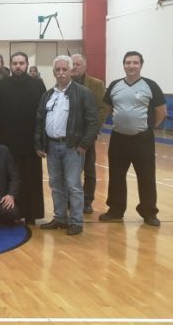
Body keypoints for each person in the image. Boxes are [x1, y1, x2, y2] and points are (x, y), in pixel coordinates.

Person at [100, 51, 166, 227]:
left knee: (146, 177)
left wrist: (149, 127)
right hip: (118, 139)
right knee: (116, 176)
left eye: (135, 63)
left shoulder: (151, 86)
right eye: (128, 62)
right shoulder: (115, 85)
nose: (131, 66)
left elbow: (161, 111)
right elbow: (106, 108)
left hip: (143, 140)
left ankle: (149, 212)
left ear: (141, 65)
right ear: (123, 65)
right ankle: (115, 210)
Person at [35, 55, 98, 236]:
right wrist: (39, 144)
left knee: (73, 185)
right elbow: (39, 120)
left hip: (73, 147)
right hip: (52, 146)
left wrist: (84, 144)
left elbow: (93, 121)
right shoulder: (48, 95)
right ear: (53, 72)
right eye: (58, 70)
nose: (61, 73)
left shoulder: (83, 93)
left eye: (64, 69)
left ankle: (76, 221)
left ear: (71, 71)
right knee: (56, 184)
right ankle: (60, 218)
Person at [0, 52, 46, 225]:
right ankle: (12, 213)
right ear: (10, 65)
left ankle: (31, 214)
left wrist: (41, 141)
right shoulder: (1, 86)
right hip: (7, 143)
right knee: (10, 178)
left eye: (21, 63)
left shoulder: (37, 85)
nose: (18, 66)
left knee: (31, 179)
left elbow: (43, 113)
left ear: (27, 65)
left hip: (30, 143)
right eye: (15, 63)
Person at [70, 54, 110, 214]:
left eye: (77, 64)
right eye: (72, 64)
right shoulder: (64, 83)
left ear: (85, 66)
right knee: (69, 170)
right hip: (68, 135)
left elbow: (103, 109)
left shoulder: (96, 84)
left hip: (87, 135)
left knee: (89, 170)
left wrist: (92, 131)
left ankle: (87, 201)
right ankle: (70, 200)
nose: (74, 67)